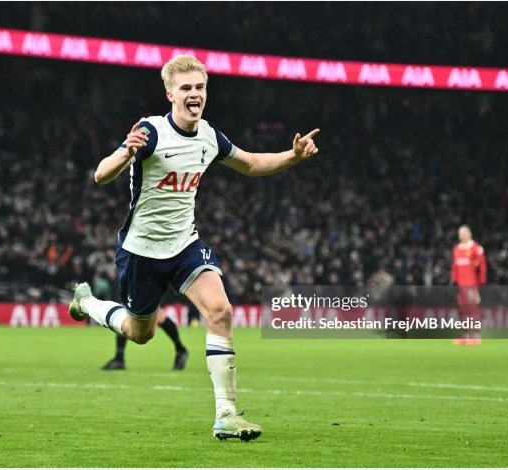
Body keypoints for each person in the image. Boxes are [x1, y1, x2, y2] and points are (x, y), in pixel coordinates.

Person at [68, 55, 320, 441]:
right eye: (186, 88)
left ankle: (226, 413)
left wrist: (294, 156)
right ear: (170, 94)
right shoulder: (150, 132)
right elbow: (101, 175)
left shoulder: (208, 136)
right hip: (142, 252)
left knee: (220, 310)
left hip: (185, 244)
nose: (194, 94)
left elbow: (251, 164)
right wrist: (126, 152)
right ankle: (87, 304)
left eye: (200, 87)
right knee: (140, 334)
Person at [101, 308, 188, 370]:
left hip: (152, 285)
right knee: (124, 314)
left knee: (160, 315)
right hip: (133, 284)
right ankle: (119, 359)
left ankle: (181, 349)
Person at [450, 225, 487, 345]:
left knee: (472, 310)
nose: (462, 236)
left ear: (470, 234)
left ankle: (476, 336)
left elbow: (482, 266)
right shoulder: (457, 249)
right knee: (462, 311)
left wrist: (481, 282)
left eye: (464, 233)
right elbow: (455, 266)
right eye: (460, 234)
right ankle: (465, 336)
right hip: (461, 285)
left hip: (471, 284)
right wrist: (454, 279)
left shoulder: (476, 248)